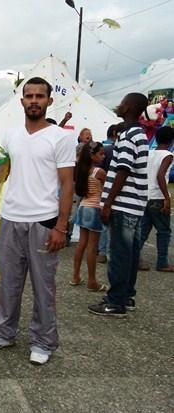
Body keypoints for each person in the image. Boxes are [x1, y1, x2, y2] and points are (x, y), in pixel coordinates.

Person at [0, 77, 76, 365]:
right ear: (21, 101)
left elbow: (67, 185)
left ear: (49, 101)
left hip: (44, 221)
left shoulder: (61, 138)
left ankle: (43, 341)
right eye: (29, 96)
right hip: (11, 218)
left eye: (39, 96)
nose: (34, 100)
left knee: (43, 286)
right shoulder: (11, 136)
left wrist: (61, 226)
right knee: (9, 282)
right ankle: (2, 332)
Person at [88, 92, 149, 318]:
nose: (119, 105)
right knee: (130, 254)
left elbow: (123, 169)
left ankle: (115, 302)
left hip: (123, 204)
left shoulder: (130, 134)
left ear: (130, 107)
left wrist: (108, 204)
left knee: (120, 254)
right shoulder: (136, 134)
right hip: (134, 204)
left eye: (123, 103)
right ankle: (126, 296)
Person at [69, 142, 108, 292]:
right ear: (92, 156)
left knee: (82, 243)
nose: (103, 156)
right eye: (101, 154)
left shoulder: (82, 170)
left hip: (83, 206)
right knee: (92, 246)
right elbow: (108, 190)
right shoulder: (99, 172)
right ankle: (92, 281)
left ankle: (75, 276)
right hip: (94, 208)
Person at [139, 126, 174, 272]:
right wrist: (167, 198)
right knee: (164, 231)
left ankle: (134, 258)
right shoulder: (168, 155)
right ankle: (162, 262)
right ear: (171, 140)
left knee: (143, 231)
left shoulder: (149, 153)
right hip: (158, 197)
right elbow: (161, 176)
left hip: (146, 196)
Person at [96, 124, 120, 263]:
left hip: (103, 191)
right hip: (113, 190)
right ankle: (108, 252)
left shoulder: (106, 149)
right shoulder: (114, 150)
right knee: (111, 225)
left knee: (104, 224)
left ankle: (102, 251)